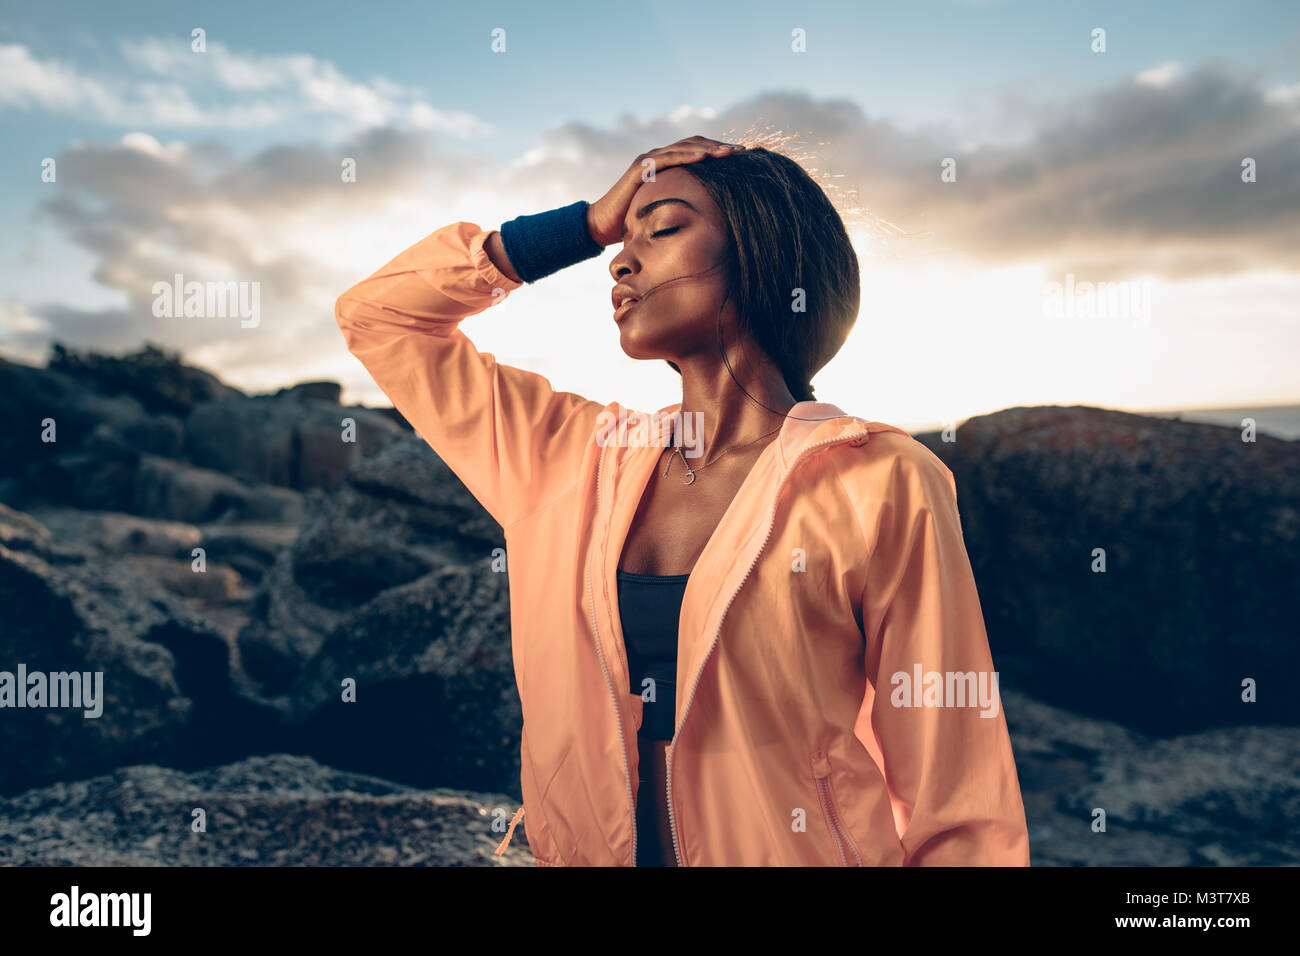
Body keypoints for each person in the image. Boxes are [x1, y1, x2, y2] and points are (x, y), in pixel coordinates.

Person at [334, 135, 1030, 866]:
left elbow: (960, 803)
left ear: (762, 250)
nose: (620, 261)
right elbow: (379, 317)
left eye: (662, 229)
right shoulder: (567, 458)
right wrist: (583, 224)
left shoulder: (880, 480)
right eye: (619, 240)